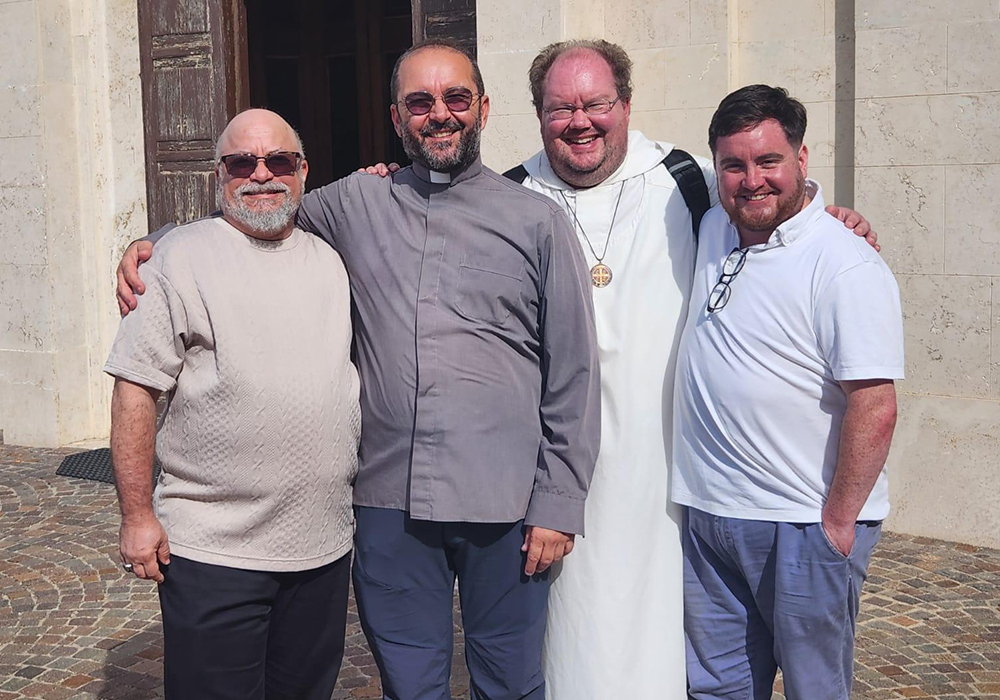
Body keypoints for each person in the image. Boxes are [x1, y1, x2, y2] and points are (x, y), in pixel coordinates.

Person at [116, 40, 601, 700]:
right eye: (420, 103)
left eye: (456, 98)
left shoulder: (539, 221)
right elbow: (257, 210)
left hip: (507, 505)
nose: (440, 114)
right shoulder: (353, 203)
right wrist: (154, 243)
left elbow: (573, 372)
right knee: (409, 682)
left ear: (483, 108)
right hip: (388, 504)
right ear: (397, 119)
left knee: (511, 682)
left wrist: (558, 503)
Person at [500, 40, 878, 700]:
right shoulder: (508, 196)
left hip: (670, 479)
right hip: (560, 475)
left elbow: (766, 196)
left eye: (597, 103)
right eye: (561, 107)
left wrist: (834, 215)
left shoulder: (684, 177)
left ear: (626, 103)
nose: (580, 120)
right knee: (573, 646)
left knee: (684, 651)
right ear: (537, 113)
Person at [106, 109, 361, 699]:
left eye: (279, 161)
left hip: (320, 547)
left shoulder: (333, 257)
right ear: (219, 173)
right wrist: (136, 516)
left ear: (303, 171)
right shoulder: (175, 259)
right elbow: (136, 387)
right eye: (243, 163)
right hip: (213, 552)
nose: (261, 175)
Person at [673, 84, 903, 700]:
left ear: (802, 159)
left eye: (768, 161)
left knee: (814, 689)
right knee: (716, 688)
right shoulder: (712, 226)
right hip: (709, 515)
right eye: (734, 165)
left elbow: (875, 405)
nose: (752, 180)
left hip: (802, 522)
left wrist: (836, 525)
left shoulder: (845, 261)